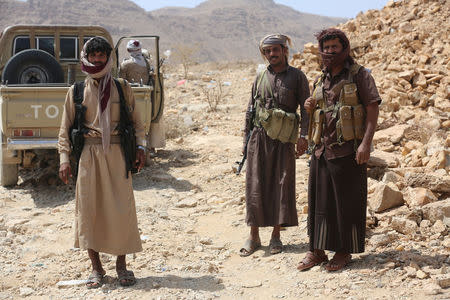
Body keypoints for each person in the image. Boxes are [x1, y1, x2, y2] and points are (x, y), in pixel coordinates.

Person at [58, 36, 146, 288]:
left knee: (121, 209)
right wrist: (64, 159)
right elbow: (64, 129)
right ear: (86, 57)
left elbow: (138, 124)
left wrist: (140, 147)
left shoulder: (122, 87)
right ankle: (96, 268)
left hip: (118, 154)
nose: (98, 60)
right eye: (93, 56)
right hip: (89, 155)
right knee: (89, 211)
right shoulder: (75, 91)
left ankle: (121, 266)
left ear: (108, 58)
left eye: (102, 56)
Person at [297, 28, 381, 272]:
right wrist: (309, 105)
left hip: (349, 151)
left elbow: (372, 109)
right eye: (326, 47)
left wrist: (366, 143)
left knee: (347, 203)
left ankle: (343, 251)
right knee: (318, 203)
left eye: (335, 47)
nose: (330, 51)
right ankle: (317, 251)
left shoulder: (360, 75)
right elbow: (316, 112)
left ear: (344, 49)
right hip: (321, 152)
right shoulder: (320, 79)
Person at [239, 34, 310, 257]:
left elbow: (306, 110)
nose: (271, 54)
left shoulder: (298, 77)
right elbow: (250, 110)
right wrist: (245, 142)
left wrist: (304, 137)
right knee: (255, 185)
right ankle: (253, 236)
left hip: (284, 140)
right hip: (259, 139)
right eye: (267, 51)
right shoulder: (260, 76)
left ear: (284, 50)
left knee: (282, 184)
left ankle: (276, 235)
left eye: (275, 50)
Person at [120, 39, 166, 161]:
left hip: (130, 97)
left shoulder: (126, 64)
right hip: (146, 97)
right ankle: (149, 148)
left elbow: (121, 82)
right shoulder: (146, 63)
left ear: (129, 50)